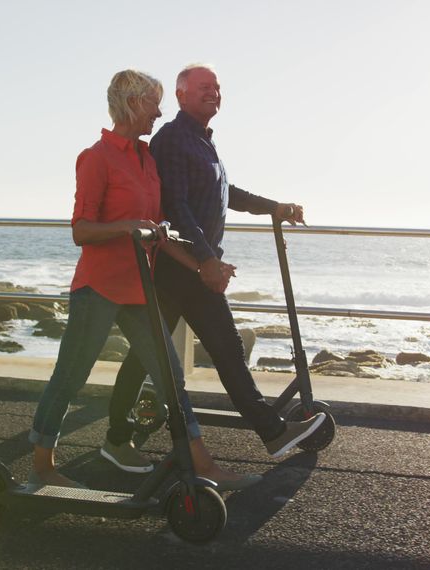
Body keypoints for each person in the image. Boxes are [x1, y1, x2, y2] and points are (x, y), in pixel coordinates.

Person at [28, 69, 252, 490]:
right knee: (71, 376)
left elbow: (158, 232)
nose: (159, 112)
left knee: (171, 375)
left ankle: (202, 462)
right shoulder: (96, 157)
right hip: (98, 288)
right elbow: (80, 230)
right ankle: (42, 464)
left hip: (139, 288)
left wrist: (203, 267)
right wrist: (130, 225)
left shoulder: (147, 159)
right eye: (154, 103)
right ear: (132, 104)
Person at [106, 64, 326, 464]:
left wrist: (274, 207)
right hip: (181, 268)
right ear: (182, 95)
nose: (214, 92)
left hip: (190, 266)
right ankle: (272, 432)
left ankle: (116, 438)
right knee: (220, 348)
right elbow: (176, 205)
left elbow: (226, 193)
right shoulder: (173, 139)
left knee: (152, 354)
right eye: (204, 86)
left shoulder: (202, 142)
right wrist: (206, 259)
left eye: (218, 87)